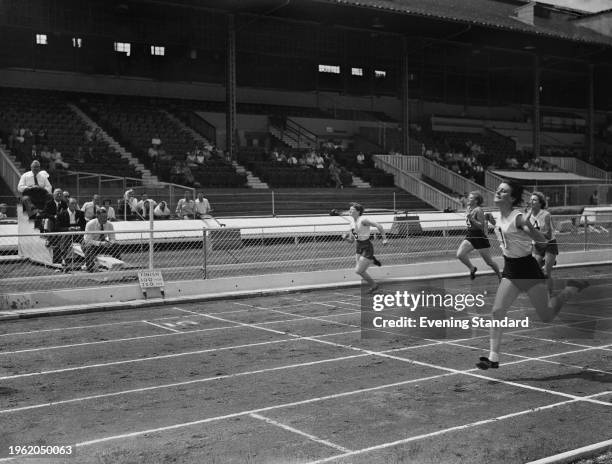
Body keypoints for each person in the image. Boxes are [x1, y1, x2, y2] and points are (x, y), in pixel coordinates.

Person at [476, 182, 589, 370]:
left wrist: (530, 228)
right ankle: (493, 358)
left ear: (512, 198)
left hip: (528, 270)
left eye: (503, 190)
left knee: (546, 315)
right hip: (511, 269)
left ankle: (571, 288)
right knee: (497, 311)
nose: (498, 191)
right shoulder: (499, 216)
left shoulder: (518, 218)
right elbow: (506, 235)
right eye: (498, 188)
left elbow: (541, 240)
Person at [343, 202, 388, 294]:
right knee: (360, 271)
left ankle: (371, 261)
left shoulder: (363, 220)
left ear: (358, 212)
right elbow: (352, 240)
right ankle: (374, 285)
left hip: (366, 247)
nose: (350, 211)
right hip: (358, 246)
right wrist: (345, 238)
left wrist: (384, 239)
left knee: (358, 270)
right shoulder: (351, 223)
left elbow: (378, 226)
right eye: (350, 209)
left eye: (352, 210)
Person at [456, 191, 501, 281]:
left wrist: (471, 218)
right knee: (460, 255)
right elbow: (462, 202)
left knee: (489, 262)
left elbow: (481, 226)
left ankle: (500, 276)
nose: (469, 199)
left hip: (479, 237)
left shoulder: (478, 210)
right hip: (470, 235)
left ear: (476, 201)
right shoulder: (469, 208)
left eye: (471, 198)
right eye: (469, 197)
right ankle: (472, 268)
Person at [529, 191, 558, 287]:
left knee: (546, 273)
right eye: (531, 199)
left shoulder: (546, 215)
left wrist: (534, 232)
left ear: (540, 203)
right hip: (537, 245)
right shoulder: (528, 216)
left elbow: (549, 235)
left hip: (549, 244)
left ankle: (549, 295)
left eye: (534, 200)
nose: (531, 201)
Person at [83, 208, 121, 272]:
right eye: (103, 217)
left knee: (116, 245)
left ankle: (117, 265)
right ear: (97, 217)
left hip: (102, 244)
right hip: (89, 243)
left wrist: (110, 243)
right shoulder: (90, 224)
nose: (105, 219)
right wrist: (100, 243)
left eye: (106, 217)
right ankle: (90, 267)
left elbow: (112, 238)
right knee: (89, 247)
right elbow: (88, 240)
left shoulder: (109, 224)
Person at [56, 198, 87, 264]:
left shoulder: (80, 214)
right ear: (68, 204)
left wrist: (79, 228)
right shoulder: (61, 214)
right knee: (66, 237)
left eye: (75, 203)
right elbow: (57, 228)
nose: (74, 205)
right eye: (72, 203)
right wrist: (68, 229)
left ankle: (87, 259)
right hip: (67, 234)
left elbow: (84, 226)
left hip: (78, 234)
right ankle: (63, 258)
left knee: (86, 240)